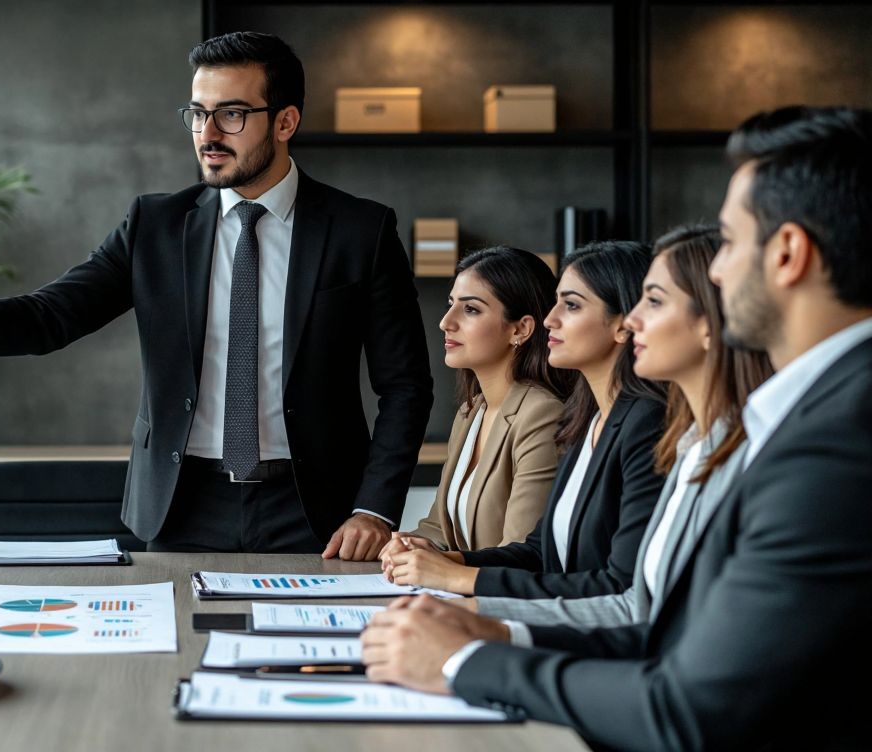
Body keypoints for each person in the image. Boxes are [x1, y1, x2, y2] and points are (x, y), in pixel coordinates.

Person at [361, 105, 872, 750]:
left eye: (733, 242)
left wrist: (462, 661)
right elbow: (652, 623)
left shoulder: (835, 441)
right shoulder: (790, 420)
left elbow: (690, 703)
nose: (716, 270)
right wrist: (494, 633)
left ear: (790, 253)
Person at [0, 32, 433, 558]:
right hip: (181, 506)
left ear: (285, 121)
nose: (208, 134)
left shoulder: (361, 230)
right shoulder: (155, 226)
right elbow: (50, 317)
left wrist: (376, 509)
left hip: (319, 512)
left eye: (231, 114)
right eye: (197, 114)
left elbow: (405, 385)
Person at [457, 224, 773, 633]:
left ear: (710, 321)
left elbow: (628, 601)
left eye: (653, 302)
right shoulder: (592, 419)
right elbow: (545, 552)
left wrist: (479, 605)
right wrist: (457, 565)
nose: (635, 319)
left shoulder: (657, 427)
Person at [383, 241, 666, 599]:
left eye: (572, 305)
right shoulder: (585, 418)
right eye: (450, 304)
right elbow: (536, 551)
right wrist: (423, 554)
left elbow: (615, 589)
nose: (552, 319)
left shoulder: (568, 416)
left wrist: (454, 576)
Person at [406, 247, 573, 554]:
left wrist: (440, 566)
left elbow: (520, 551)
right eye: (450, 304)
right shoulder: (472, 411)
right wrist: (407, 544)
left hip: (494, 597)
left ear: (520, 329)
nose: (446, 322)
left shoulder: (541, 413)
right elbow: (439, 528)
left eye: (470, 310)